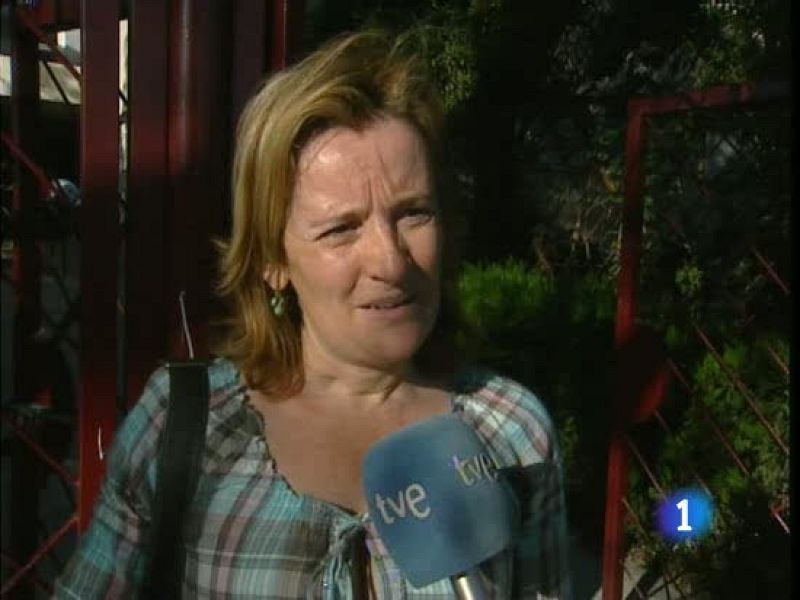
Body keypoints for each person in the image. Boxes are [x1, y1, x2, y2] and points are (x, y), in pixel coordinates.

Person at [55, 30, 571, 599]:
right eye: (341, 229)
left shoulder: (512, 431)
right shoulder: (183, 426)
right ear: (272, 260)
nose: (391, 261)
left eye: (414, 213)